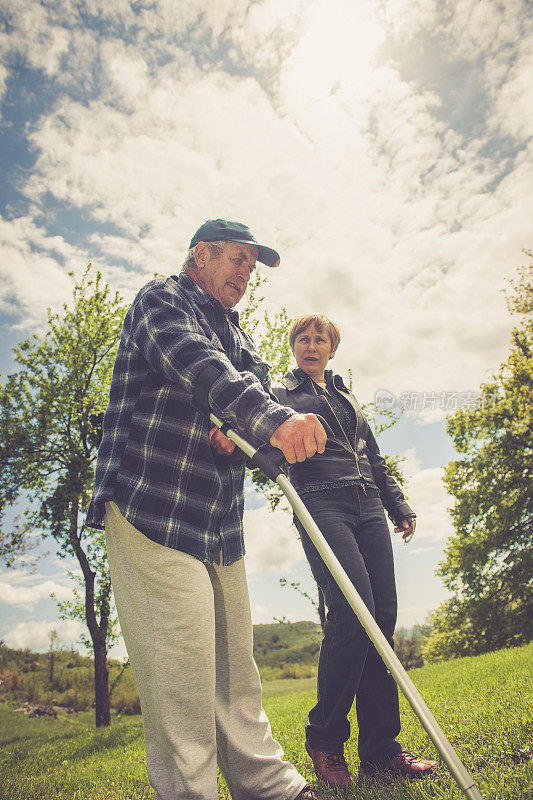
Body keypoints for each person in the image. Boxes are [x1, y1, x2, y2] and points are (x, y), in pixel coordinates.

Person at [85, 220, 327, 800]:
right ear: (202, 255)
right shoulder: (161, 301)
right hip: (152, 507)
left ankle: (269, 787)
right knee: (182, 681)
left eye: (252, 266)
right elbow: (196, 365)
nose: (246, 274)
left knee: (234, 672)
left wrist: (250, 434)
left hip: (218, 523)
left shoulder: (239, 337)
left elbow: (252, 392)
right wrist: (273, 422)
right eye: (238, 260)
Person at [273, 313, 438, 787]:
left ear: (331, 348)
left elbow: (375, 457)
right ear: (294, 348)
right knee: (353, 609)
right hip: (322, 503)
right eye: (302, 339)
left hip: (367, 504)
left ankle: (382, 751)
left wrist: (397, 504)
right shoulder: (281, 395)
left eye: (318, 339)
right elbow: (266, 437)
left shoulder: (346, 396)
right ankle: (325, 739)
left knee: (381, 618)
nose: (310, 346)